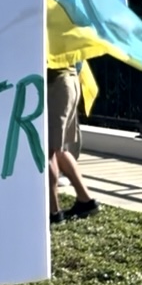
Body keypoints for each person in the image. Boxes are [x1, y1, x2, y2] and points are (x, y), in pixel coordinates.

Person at [47, 65, 101, 223]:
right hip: (70, 81)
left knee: (47, 151)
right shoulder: (65, 39)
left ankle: (53, 212)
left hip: (55, 83)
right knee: (59, 149)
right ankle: (86, 201)